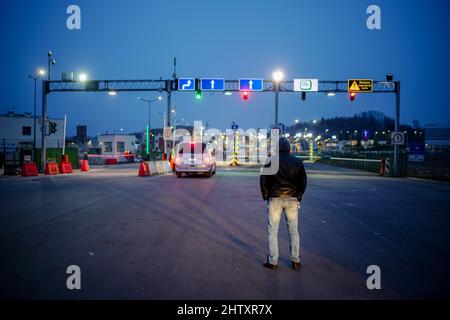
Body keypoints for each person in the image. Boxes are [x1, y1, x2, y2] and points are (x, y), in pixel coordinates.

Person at [260, 137, 307, 270]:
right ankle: (295, 261)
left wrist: (266, 195)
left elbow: (263, 179)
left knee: (273, 231)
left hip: (274, 198)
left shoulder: (270, 161)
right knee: (293, 230)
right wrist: (298, 196)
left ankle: (273, 262)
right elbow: (303, 182)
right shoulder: (297, 162)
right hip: (292, 199)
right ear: (289, 148)